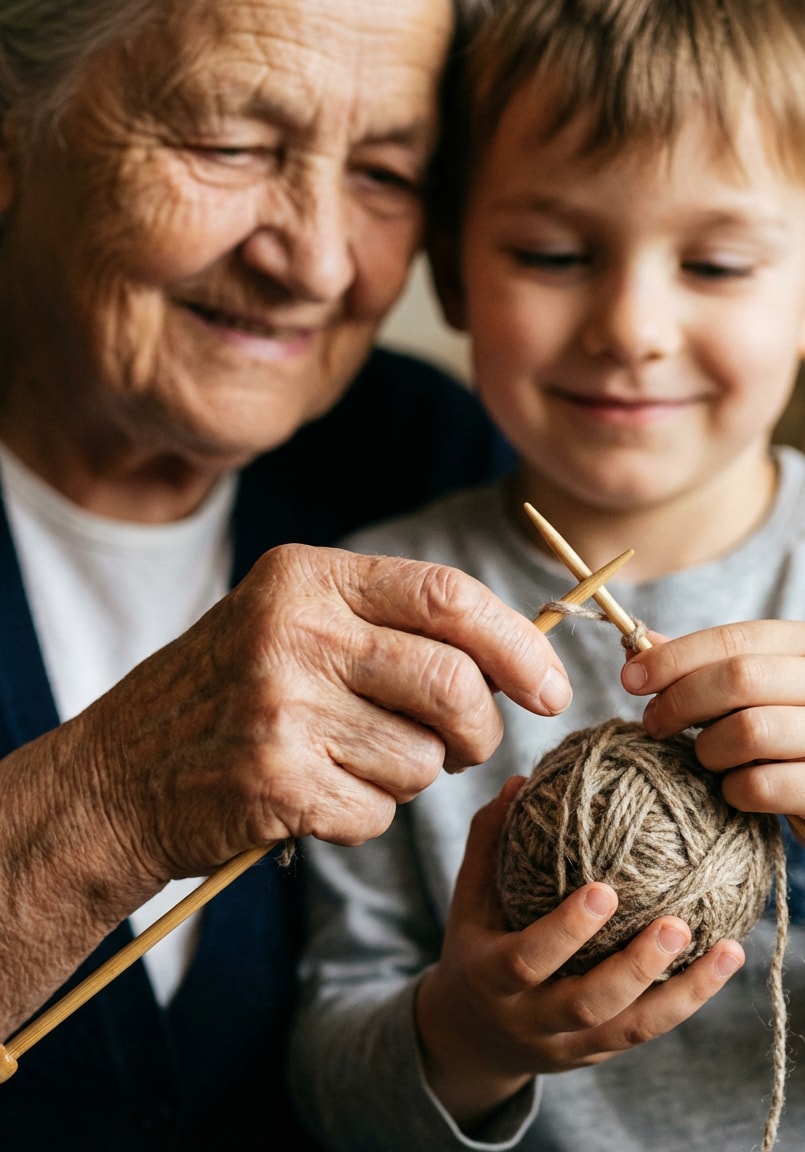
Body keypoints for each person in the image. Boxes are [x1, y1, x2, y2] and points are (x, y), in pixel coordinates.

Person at [290, 1, 805, 1148]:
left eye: (716, 262)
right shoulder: (384, 610)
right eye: (552, 254)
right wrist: (465, 1039)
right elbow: (329, 1080)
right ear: (448, 266)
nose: (630, 325)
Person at [0, 0, 576, 1147]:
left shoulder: (437, 465)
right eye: (228, 144)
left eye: (383, 172)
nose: (314, 262)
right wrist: (113, 796)